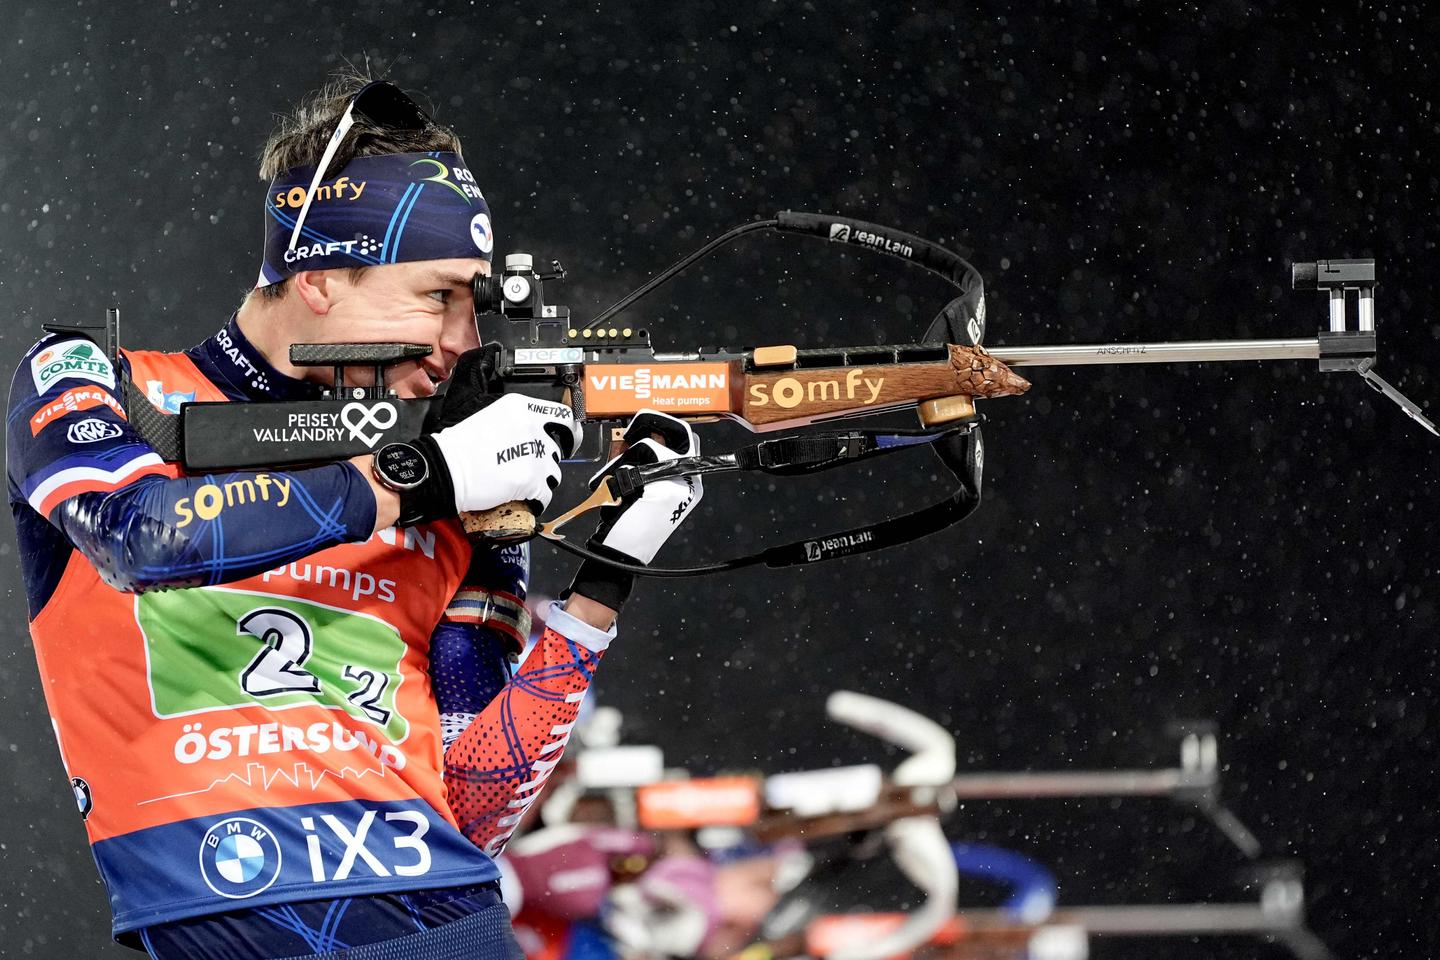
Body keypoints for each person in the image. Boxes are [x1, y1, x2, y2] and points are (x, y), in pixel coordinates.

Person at [6, 73, 701, 960]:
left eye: (474, 304)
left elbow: (474, 806)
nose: (464, 342)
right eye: (437, 296)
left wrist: (602, 587)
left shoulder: (458, 480)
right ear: (324, 275)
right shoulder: (100, 381)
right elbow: (145, 535)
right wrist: (417, 476)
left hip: (448, 930)